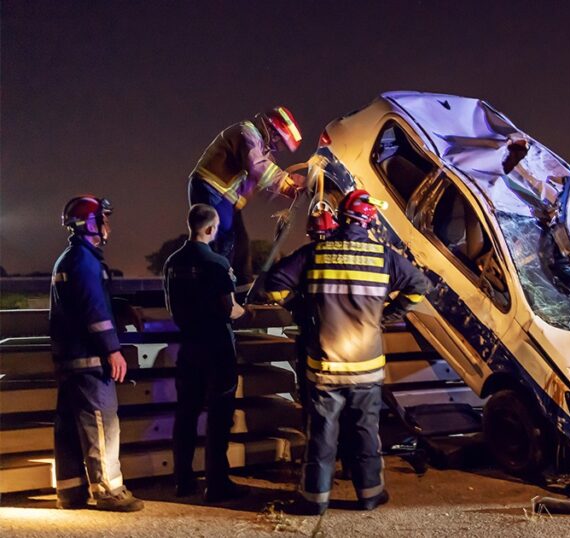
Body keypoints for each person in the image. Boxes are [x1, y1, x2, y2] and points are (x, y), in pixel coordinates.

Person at [264, 189, 430, 515]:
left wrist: (303, 309)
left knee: (322, 433)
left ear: (341, 218)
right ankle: (370, 495)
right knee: (366, 431)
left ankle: (315, 500)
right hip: (367, 367)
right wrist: (386, 316)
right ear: (370, 221)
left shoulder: (315, 252)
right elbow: (420, 287)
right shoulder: (384, 257)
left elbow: (274, 286)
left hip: (325, 366)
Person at [49, 195, 144, 511]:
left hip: (69, 359)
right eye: (104, 219)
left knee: (68, 427)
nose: (108, 226)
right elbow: (93, 310)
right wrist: (112, 349)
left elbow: (85, 301)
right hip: (90, 360)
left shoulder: (70, 259)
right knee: (102, 423)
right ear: (89, 223)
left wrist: (122, 307)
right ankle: (108, 491)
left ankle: (70, 492)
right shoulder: (85, 261)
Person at [163, 204, 249, 502]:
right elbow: (229, 308)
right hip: (217, 348)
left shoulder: (172, 262)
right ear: (211, 229)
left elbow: (171, 306)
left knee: (186, 414)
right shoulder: (217, 262)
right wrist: (245, 311)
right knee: (219, 415)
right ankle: (216, 483)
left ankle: (183, 480)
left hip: (188, 346)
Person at [188, 106, 306, 285]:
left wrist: (290, 188)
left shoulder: (261, 148)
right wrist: (287, 183)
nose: (279, 147)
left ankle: (242, 285)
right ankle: (216, 286)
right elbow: (258, 167)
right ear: (272, 131)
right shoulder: (247, 133)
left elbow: (264, 180)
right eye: (281, 142)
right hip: (210, 187)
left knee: (241, 244)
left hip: (225, 197)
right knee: (224, 239)